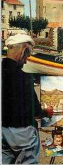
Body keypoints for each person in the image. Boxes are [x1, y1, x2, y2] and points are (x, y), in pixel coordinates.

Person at [2, 34, 53, 164]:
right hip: (22, 133)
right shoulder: (23, 77)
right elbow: (34, 110)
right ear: (24, 50)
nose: (26, 61)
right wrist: (46, 112)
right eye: (27, 56)